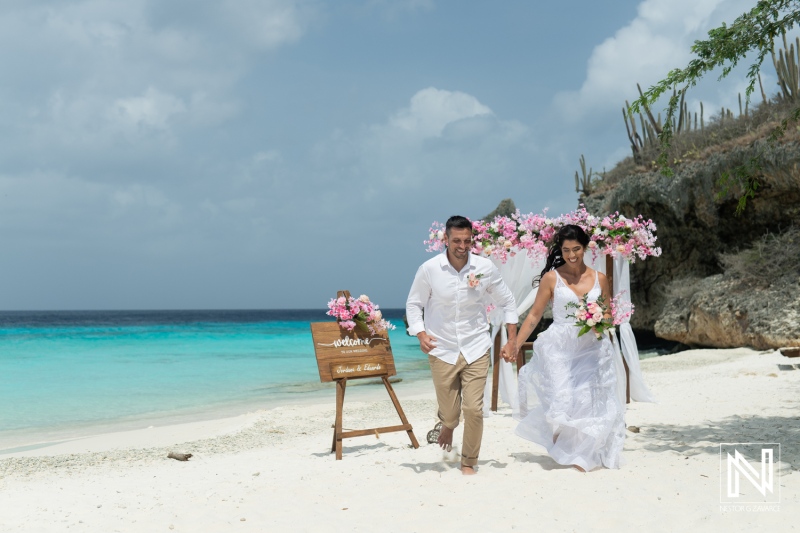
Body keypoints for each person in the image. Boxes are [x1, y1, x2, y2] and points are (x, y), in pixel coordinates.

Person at [501, 224, 625, 471]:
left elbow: (610, 314)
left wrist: (599, 319)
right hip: (559, 347)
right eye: (566, 250)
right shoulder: (551, 278)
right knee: (563, 398)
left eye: (576, 249)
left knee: (585, 400)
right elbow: (535, 316)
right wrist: (514, 343)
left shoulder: (600, 279)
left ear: (585, 248)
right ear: (560, 250)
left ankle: (582, 455)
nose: (571, 255)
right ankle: (561, 440)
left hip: (591, 346)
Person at [406, 215, 519, 475]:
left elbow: (508, 302)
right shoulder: (429, 269)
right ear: (445, 239)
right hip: (441, 348)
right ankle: (448, 423)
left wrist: (512, 341)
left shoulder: (485, 267)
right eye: (456, 240)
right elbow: (414, 304)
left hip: (476, 345)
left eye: (467, 240)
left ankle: (468, 461)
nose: (462, 246)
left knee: (473, 409)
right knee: (450, 411)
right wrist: (420, 334)